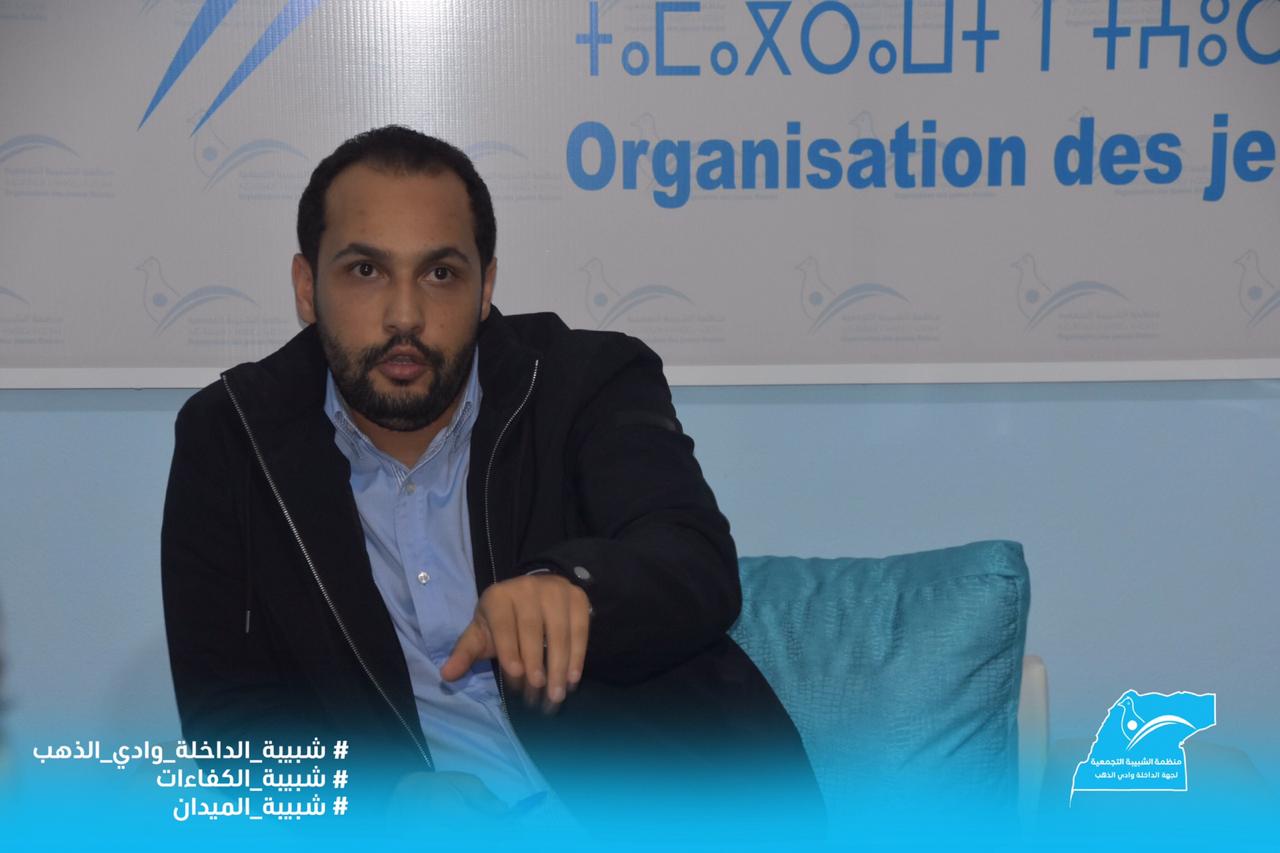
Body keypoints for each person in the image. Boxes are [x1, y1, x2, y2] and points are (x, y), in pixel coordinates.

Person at [161, 125, 820, 833]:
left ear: (485, 289)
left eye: (440, 273)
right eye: (366, 271)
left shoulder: (586, 381)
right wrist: (381, 802)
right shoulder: (232, 438)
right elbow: (228, 723)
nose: (405, 316)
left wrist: (573, 586)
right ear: (306, 287)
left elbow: (695, 560)